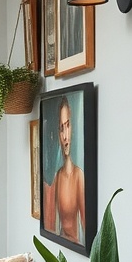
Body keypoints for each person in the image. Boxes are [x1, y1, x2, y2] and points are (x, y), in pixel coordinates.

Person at [45, 95, 85, 244]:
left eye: (68, 125)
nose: (66, 136)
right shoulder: (57, 177)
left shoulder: (79, 176)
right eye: (62, 128)